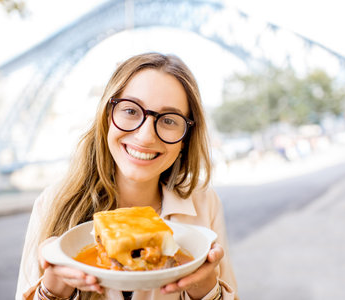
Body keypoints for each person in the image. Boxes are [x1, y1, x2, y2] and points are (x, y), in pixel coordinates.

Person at [16, 53, 239, 300]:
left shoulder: (206, 204)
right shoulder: (53, 203)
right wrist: (54, 289)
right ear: (106, 117)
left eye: (168, 120)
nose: (145, 137)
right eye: (131, 110)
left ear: (185, 139)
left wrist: (206, 290)